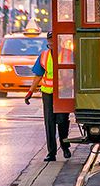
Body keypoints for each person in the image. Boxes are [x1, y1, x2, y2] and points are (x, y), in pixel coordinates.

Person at [25, 31, 71, 161]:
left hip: (64, 92)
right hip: (48, 93)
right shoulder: (44, 56)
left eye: (53, 40)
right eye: (49, 40)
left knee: (62, 121)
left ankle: (65, 146)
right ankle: (51, 153)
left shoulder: (68, 54)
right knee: (49, 122)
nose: (51, 42)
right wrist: (30, 92)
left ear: (59, 41)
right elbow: (38, 75)